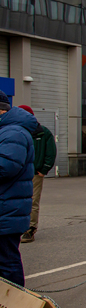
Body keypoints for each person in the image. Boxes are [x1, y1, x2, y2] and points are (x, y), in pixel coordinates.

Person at [0, 92, 36, 286]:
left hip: (7, 209)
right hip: (7, 206)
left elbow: (6, 167)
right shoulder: (7, 130)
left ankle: (15, 300)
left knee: (6, 261)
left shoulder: (13, 132)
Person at [16, 105, 56, 244]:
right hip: (17, 172)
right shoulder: (15, 131)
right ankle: (15, 228)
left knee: (32, 200)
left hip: (34, 172)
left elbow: (50, 151)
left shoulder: (42, 132)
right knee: (15, 200)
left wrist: (44, 169)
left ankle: (30, 229)